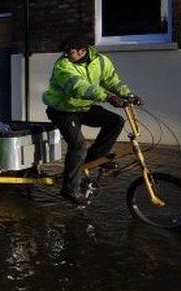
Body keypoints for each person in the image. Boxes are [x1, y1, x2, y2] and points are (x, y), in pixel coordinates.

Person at [42, 34, 142, 205]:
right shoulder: (63, 65)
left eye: (70, 52)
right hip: (62, 110)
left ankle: (95, 159)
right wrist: (107, 97)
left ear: (82, 51)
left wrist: (128, 94)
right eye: (66, 52)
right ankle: (69, 189)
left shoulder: (101, 61)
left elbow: (112, 80)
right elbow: (77, 86)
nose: (67, 55)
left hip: (82, 108)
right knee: (79, 145)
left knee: (115, 121)